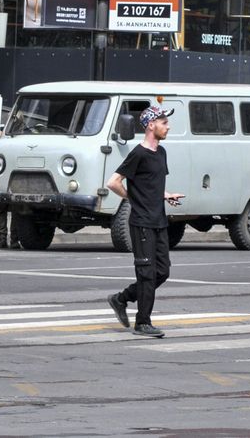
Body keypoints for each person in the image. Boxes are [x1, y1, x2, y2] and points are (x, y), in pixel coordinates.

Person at [106, 104, 185, 338]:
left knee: (162, 271)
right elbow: (113, 182)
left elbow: (150, 185)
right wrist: (132, 197)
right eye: (163, 122)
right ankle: (143, 323)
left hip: (159, 221)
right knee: (147, 274)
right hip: (141, 222)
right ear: (151, 125)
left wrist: (165, 194)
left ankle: (121, 299)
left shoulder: (161, 153)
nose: (167, 126)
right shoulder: (138, 154)